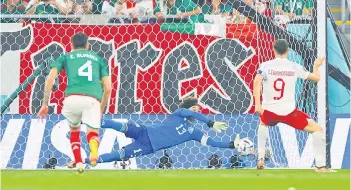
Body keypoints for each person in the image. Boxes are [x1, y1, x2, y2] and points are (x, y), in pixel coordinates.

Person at [68, 97, 240, 167]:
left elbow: (212, 143)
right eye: (195, 108)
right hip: (145, 131)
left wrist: (231, 144)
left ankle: (80, 161)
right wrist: (210, 122)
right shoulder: (180, 113)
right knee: (122, 125)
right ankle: (84, 120)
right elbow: (190, 112)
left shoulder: (193, 132)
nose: (197, 112)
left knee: (119, 155)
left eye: (198, 110)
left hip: (148, 146)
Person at [37, 32, 111, 173]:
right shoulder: (97, 59)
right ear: (88, 45)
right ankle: (93, 149)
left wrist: (45, 103)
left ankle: (78, 163)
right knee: (92, 132)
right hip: (92, 99)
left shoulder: (65, 57)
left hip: (72, 99)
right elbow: (108, 88)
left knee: (74, 130)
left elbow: (50, 79)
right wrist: (101, 108)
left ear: (71, 45)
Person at [253, 39, 330, 172]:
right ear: (288, 51)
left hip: (270, 112)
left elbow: (256, 81)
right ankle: (320, 166)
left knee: (263, 123)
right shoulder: (294, 66)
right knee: (317, 130)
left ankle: (260, 158)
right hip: (289, 113)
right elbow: (316, 79)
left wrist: (258, 105)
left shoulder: (265, 65)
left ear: (273, 50)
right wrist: (316, 66)